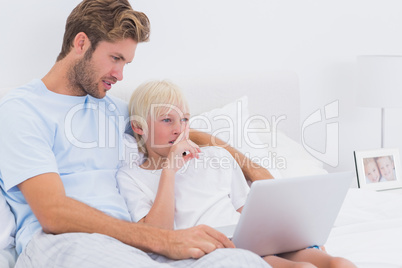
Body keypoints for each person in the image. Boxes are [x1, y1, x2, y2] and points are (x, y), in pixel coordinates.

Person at [0, 1, 272, 267]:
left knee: (241, 260)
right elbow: (53, 212)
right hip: (61, 242)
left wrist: (251, 167)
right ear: (81, 43)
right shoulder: (22, 110)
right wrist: (159, 239)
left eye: (125, 63)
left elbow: (175, 132)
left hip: (130, 245)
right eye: (115, 58)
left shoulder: (110, 109)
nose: (119, 75)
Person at [117, 80, 357, 268]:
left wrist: (296, 233)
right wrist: (169, 168)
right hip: (217, 252)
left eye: (185, 120)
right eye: (167, 120)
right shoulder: (132, 176)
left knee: (337, 263)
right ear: (139, 127)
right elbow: (158, 236)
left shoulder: (216, 157)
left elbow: (249, 213)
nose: (179, 129)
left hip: (251, 239)